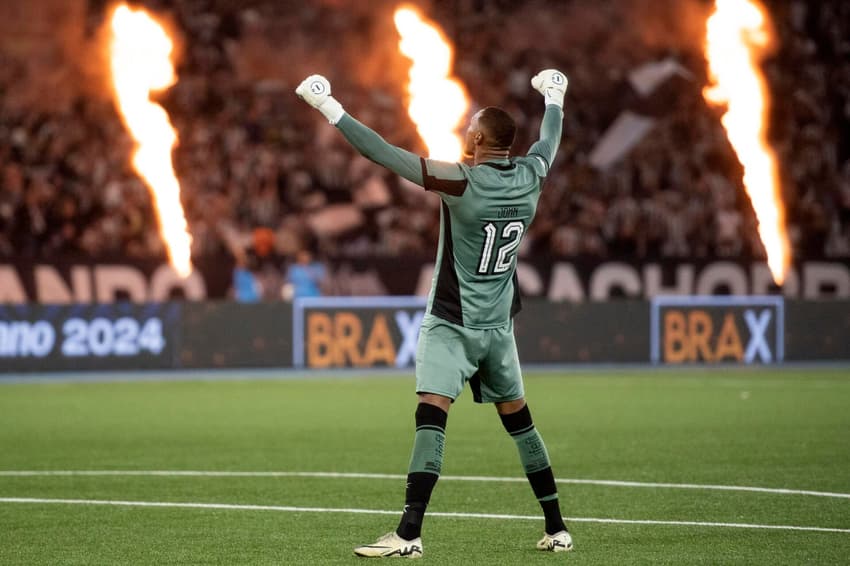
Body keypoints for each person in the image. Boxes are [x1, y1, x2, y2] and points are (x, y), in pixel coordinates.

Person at [296, 68, 571, 558]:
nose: (465, 133)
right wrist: (555, 98)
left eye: (471, 128)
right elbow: (549, 139)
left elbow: (384, 154)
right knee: (521, 423)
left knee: (431, 416)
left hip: (452, 321)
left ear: (482, 139)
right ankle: (557, 526)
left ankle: (408, 534)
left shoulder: (460, 182)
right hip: (499, 326)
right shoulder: (532, 174)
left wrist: (329, 107)